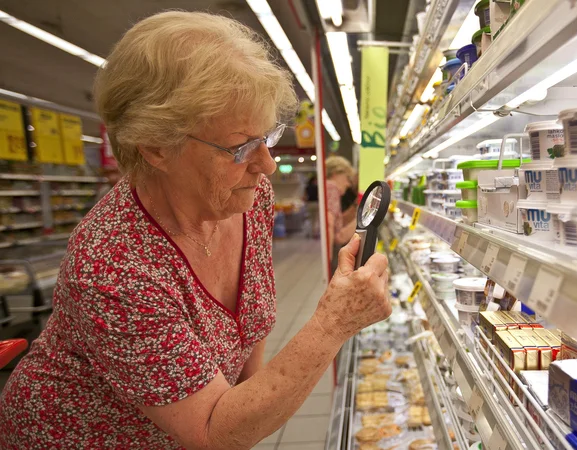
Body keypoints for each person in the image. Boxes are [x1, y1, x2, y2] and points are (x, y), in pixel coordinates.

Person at [0, 11, 391, 449]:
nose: (266, 166)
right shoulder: (112, 263)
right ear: (156, 149)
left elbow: (249, 332)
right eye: (240, 147)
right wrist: (332, 323)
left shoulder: (247, 196)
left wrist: (249, 418)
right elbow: (210, 429)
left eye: (267, 136)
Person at [325, 156, 358, 274]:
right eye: (347, 178)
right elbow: (331, 226)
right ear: (335, 174)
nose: (348, 184)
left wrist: (356, 206)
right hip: (331, 255)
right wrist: (366, 216)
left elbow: (337, 221)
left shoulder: (326, 187)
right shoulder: (332, 187)